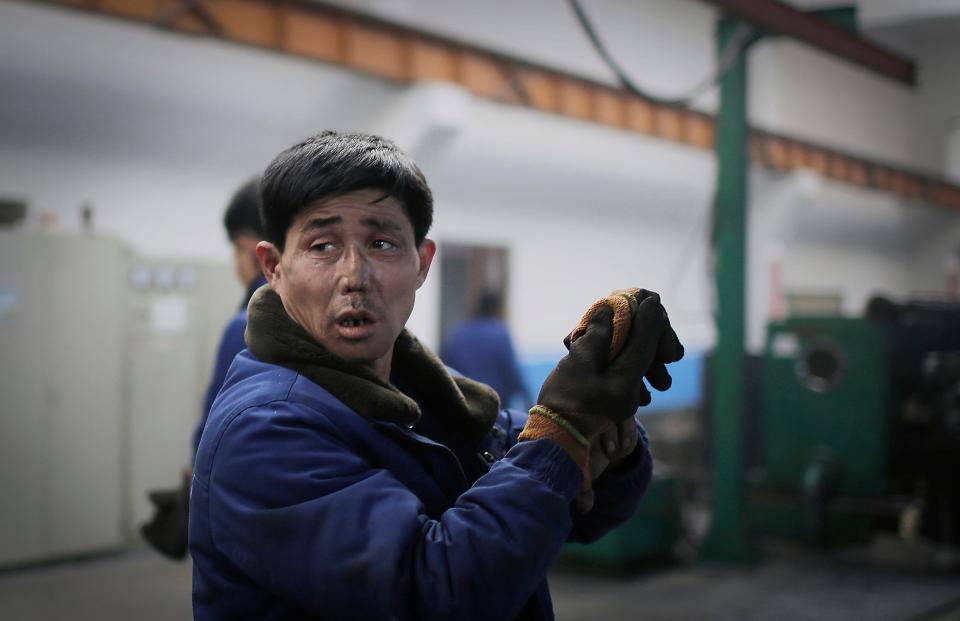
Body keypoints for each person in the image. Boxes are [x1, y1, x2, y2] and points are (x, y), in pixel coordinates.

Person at [190, 131, 684, 620]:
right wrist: (562, 431)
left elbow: (583, 510)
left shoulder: (429, 393)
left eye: (382, 243)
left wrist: (603, 429)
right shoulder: (265, 429)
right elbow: (435, 593)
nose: (353, 275)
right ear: (274, 266)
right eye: (322, 246)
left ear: (422, 263)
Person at [141, 177, 267, 560]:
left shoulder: (246, 323)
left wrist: (194, 471)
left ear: (247, 247)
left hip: (240, 499)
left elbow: (215, 423)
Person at [442, 289, 531, 409]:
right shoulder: (500, 334)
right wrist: (528, 400)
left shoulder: (458, 333)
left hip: (464, 404)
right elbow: (512, 373)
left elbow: (446, 368)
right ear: (497, 308)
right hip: (494, 408)